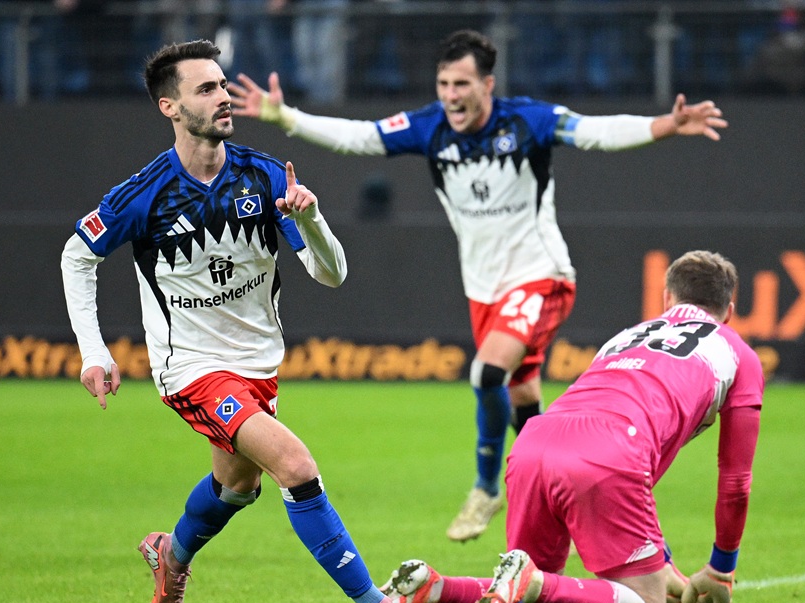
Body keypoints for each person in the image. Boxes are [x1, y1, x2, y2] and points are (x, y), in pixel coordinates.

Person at [228, 28, 729, 543]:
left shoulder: (527, 121)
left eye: (461, 83)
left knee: (487, 371)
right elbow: (361, 137)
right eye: (444, 83)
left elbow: (595, 131)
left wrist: (666, 124)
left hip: (541, 276)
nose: (450, 94)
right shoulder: (429, 128)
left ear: (487, 84)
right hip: (485, 291)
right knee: (523, 397)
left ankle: (487, 488)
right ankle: (557, 482)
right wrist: (285, 117)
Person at [59, 38, 447, 603]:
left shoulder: (265, 177)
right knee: (294, 466)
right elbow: (77, 254)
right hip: (188, 368)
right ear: (169, 106)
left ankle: (171, 553)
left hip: (256, 367)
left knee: (238, 487)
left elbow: (331, 275)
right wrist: (94, 351)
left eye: (221, 84)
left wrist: (312, 218)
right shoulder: (144, 193)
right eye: (205, 89)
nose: (222, 97)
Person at [351, 250, 763, 603]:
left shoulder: (625, 337)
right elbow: (736, 480)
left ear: (666, 296)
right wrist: (721, 569)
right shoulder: (738, 354)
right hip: (610, 452)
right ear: (730, 309)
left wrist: (662, 562)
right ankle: (530, 579)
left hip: (536, 440)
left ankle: (432, 586)